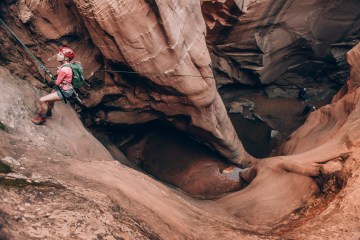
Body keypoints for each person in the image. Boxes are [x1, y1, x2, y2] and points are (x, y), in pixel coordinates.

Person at [31, 46, 76, 125]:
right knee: (51, 101)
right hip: (62, 87)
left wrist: (49, 77)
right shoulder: (67, 65)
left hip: (64, 91)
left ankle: (42, 118)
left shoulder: (64, 69)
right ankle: (48, 112)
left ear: (66, 58)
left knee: (42, 100)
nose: (57, 55)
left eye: (60, 54)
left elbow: (57, 83)